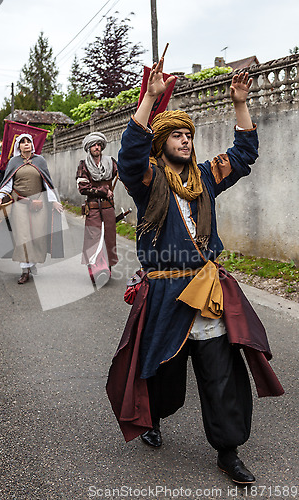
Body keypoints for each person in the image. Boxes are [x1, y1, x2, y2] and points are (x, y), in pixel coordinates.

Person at [106, 59, 284, 484]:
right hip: (165, 293)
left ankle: (228, 450)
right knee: (162, 369)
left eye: (189, 135)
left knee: (219, 371)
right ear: (162, 141)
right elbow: (129, 156)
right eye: (177, 136)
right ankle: (152, 419)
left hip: (207, 289)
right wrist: (150, 98)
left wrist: (240, 104)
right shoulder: (146, 179)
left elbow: (243, 155)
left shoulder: (205, 176)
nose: (185, 141)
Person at [0, 133, 64, 284]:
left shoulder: (40, 161)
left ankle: (32, 263)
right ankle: (25, 270)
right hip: (19, 204)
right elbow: (7, 184)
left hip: (39, 204)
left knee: (37, 235)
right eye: (23, 142)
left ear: (32, 145)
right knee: (23, 237)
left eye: (28, 142)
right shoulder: (14, 162)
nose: (26, 144)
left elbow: (47, 183)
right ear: (18, 146)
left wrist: (54, 201)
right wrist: (0, 197)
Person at [76, 132, 118, 281]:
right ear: (89, 148)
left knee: (109, 238)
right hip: (93, 208)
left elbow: (122, 174)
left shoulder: (110, 162)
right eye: (94, 145)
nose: (97, 147)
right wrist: (103, 191)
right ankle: (95, 270)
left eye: (99, 145)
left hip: (108, 208)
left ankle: (108, 268)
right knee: (93, 239)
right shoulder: (84, 165)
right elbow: (83, 188)